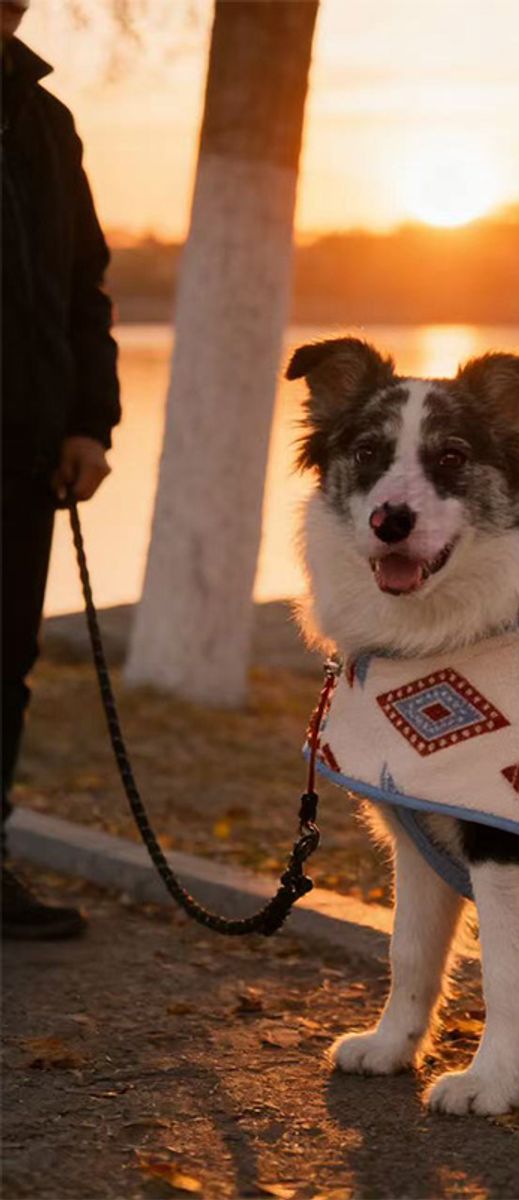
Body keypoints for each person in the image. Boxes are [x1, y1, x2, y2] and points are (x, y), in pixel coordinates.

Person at [2, 0, 121, 938]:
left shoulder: (45, 119)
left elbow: (83, 283)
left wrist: (90, 423)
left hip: (24, 452)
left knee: (6, 664)